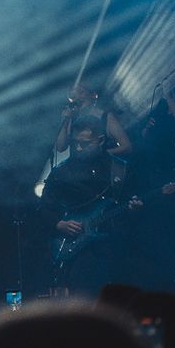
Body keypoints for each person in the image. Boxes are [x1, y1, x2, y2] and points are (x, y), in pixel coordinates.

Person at [42, 121, 136, 294]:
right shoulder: (62, 172)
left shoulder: (119, 168)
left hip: (117, 245)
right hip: (81, 249)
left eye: (85, 144)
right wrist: (59, 223)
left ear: (101, 140)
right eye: (75, 143)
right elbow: (44, 206)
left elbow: (131, 197)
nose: (78, 148)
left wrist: (134, 206)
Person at [53, 81, 132, 157]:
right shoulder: (72, 119)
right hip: (75, 165)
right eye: (74, 96)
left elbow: (126, 146)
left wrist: (99, 155)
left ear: (93, 95)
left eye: (81, 92)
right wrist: (65, 120)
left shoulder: (106, 117)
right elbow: (60, 147)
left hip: (99, 164)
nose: (78, 97)